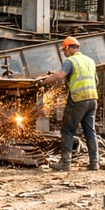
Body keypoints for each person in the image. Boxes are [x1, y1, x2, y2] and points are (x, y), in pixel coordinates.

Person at [37, 36, 100, 171]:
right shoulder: (90, 60)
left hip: (78, 100)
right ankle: (94, 162)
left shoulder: (70, 61)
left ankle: (65, 163)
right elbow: (95, 81)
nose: (64, 53)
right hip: (92, 99)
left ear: (69, 48)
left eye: (64, 50)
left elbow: (59, 76)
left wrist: (42, 82)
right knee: (90, 131)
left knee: (67, 130)